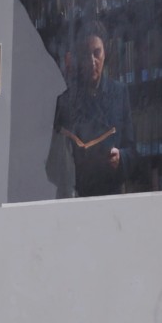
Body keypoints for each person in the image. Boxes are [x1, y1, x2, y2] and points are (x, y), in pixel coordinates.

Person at [50, 22, 135, 197]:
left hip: (111, 194)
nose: (92, 61)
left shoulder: (119, 94)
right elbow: (53, 164)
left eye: (97, 53)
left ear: (105, 53)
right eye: (86, 55)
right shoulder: (65, 102)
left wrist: (121, 158)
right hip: (77, 195)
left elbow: (132, 151)